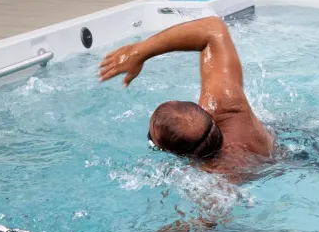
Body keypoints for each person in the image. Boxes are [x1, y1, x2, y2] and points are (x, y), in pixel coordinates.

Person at [98, 16, 274, 175]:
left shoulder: (215, 181)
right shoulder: (228, 106)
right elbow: (213, 29)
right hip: (276, 149)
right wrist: (139, 52)